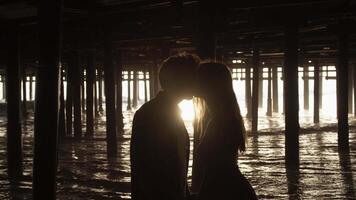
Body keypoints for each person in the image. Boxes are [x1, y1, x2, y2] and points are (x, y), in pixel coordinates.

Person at [130, 54, 200, 200]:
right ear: (180, 80)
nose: (197, 83)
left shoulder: (167, 113)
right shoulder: (151, 115)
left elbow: (176, 170)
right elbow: (146, 173)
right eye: (194, 77)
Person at [194, 62, 257, 200]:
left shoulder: (221, 119)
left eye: (197, 77)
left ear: (210, 83)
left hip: (227, 190)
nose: (193, 81)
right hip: (230, 188)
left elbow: (218, 168)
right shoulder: (223, 115)